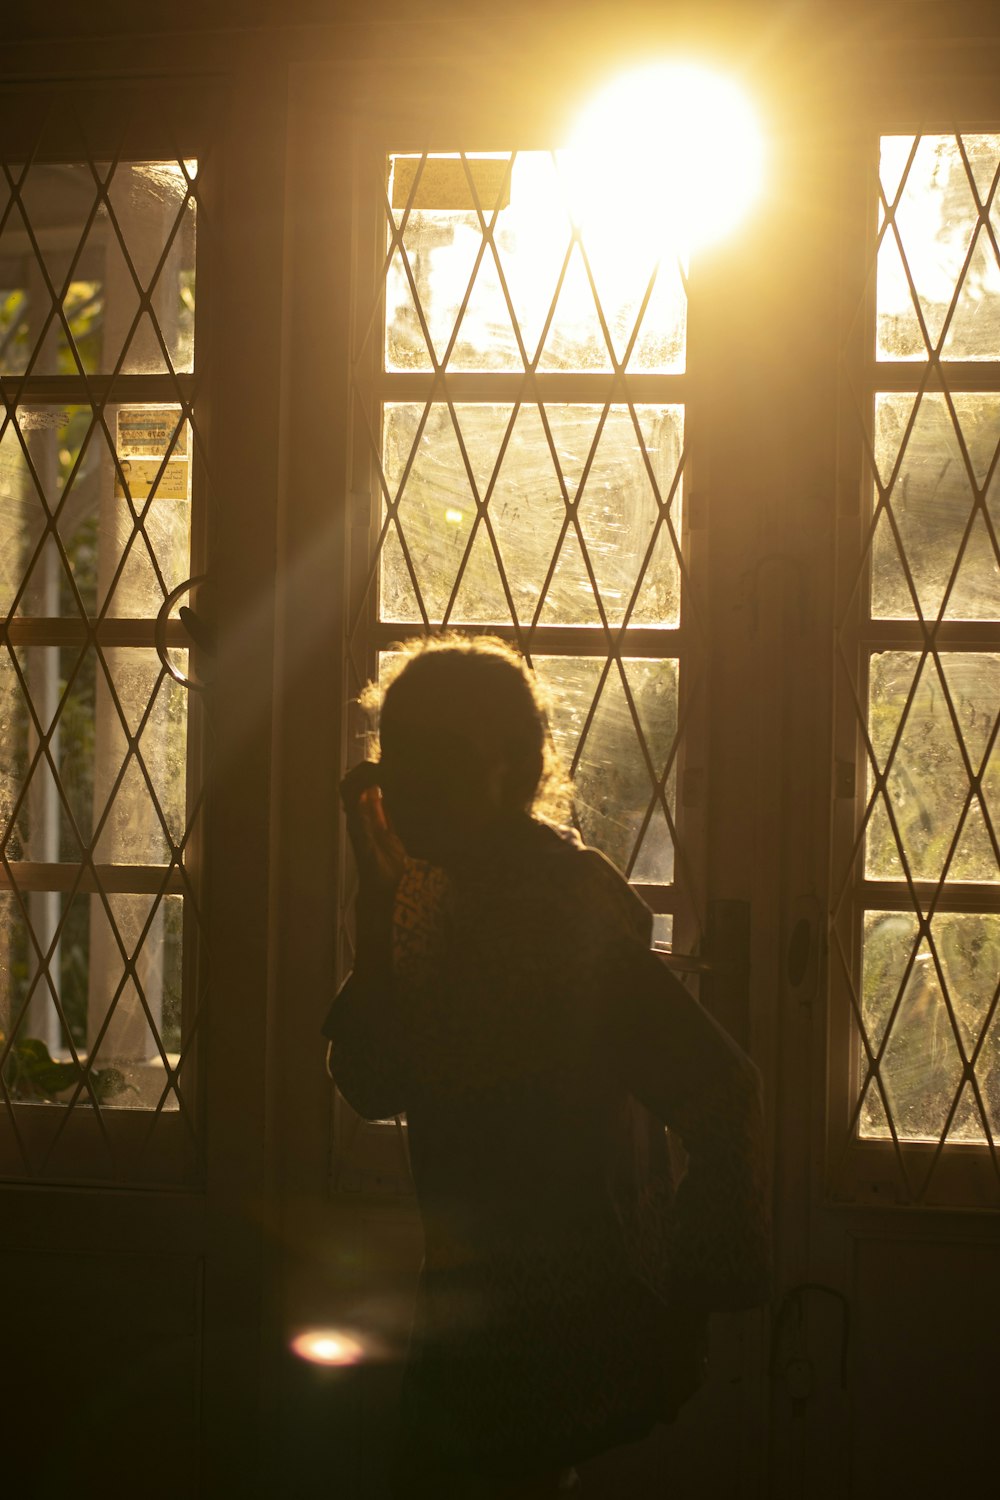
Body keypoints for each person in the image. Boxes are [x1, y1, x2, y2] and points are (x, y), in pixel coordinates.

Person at [323, 635, 769, 1498]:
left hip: (548, 1305)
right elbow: (373, 1082)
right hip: (476, 1296)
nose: (411, 785)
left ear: (521, 771)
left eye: (444, 760)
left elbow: (724, 1089)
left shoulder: (561, 905)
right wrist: (378, 906)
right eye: (397, 756)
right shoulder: (434, 891)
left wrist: (686, 1308)